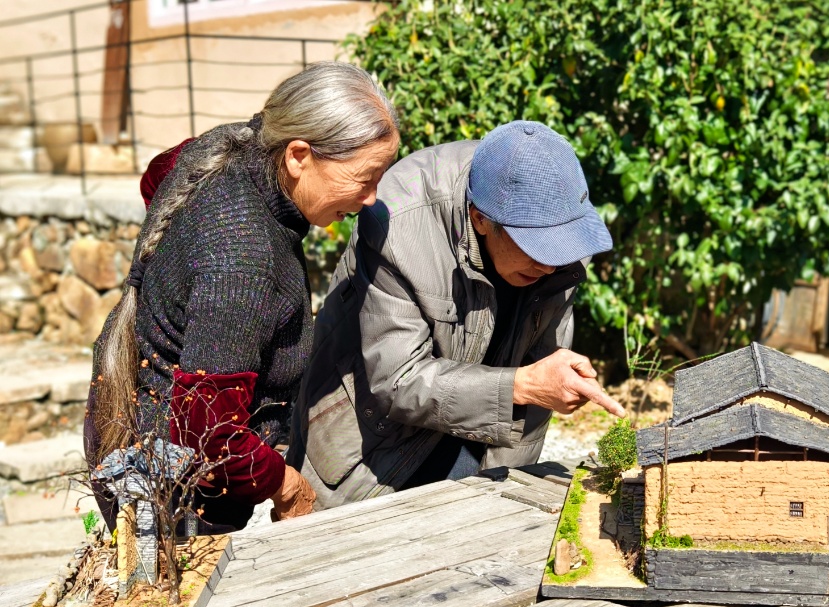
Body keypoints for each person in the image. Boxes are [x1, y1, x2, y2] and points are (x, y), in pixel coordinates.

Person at [85, 61, 400, 531]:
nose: (372, 197)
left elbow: (157, 175)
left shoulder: (237, 144)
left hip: (134, 422)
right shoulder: (242, 258)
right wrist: (287, 485)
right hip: (173, 490)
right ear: (298, 156)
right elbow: (207, 436)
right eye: (364, 178)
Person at [287, 120, 626, 509]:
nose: (550, 265)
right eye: (535, 246)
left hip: (476, 439)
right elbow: (398, 380)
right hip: (371, 451)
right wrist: (522, 385)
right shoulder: (400, 221)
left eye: (557, 246)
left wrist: (504, 502)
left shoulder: (563, 240)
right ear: (480, 219)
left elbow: (532, 399)